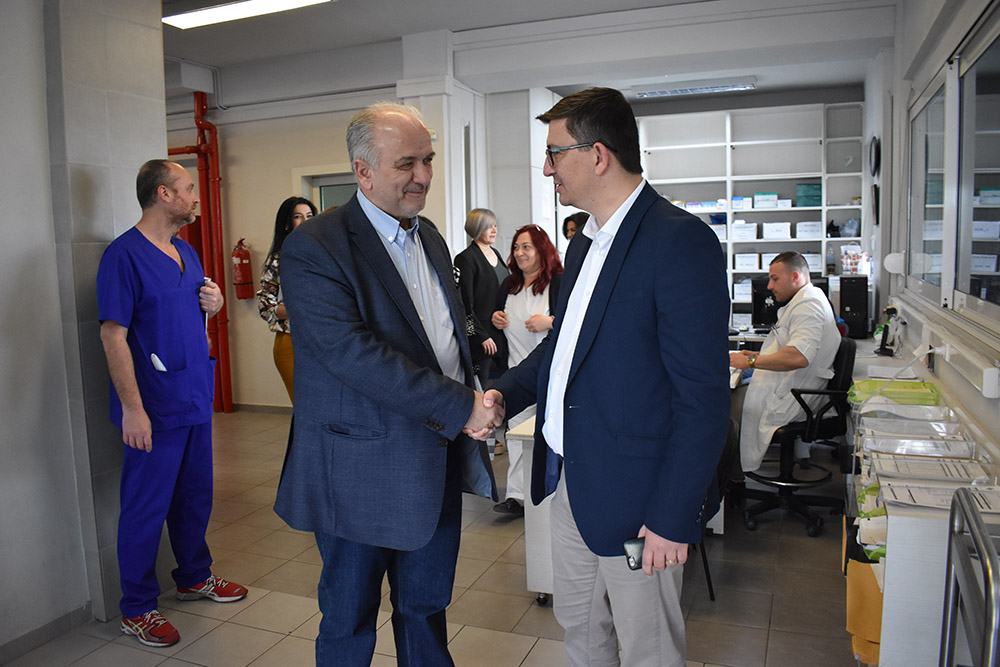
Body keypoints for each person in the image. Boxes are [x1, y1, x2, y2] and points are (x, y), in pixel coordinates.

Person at [481, 87, 731, 667]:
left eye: (554, 153)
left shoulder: (678, 241)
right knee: (581, 633)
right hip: (571, 482)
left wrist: (671, 517)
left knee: (648, 648)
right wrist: (502, 392)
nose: (547, 169)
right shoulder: (585, 244)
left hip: (640, 502)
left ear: (597, 156)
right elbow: (564, 350)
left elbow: (702, 398)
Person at [272, 102, 502, 667]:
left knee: (426, 608)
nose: (423, 176)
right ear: (363, 170)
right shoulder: (316, 246)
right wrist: (461, 405)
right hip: (358, 469)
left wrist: (476, 397)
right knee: (349, 617)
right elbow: (350, 353)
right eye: (406, 164)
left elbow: (441, 336)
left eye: (428, 160)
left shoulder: (430, 238)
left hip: (434, 454)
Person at [97, 159, 247, 649]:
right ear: (163, 194)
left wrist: (213, 304)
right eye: (187, 188)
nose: (194, 196)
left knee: (194, 496)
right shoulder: (124, 256)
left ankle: (193, 576)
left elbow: (190, 310)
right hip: (154, 406)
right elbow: (113, 334)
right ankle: (137, 608)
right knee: (145, 507)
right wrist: (133, 409)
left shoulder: (186, 251)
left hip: (193, 394)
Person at [729, 251, 841, 472]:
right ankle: (733, 474)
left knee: (724, 404)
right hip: (792, 386)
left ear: (795, 276)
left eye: (775, 278)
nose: (769, 286)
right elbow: (791, 347)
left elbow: (798, 357)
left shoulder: (809, 306)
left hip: (794, 396)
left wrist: (751, 362)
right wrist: (757, 356)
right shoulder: (806, 300)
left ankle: (733, 479)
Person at [490, 225, 563, 516]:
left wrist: (549, 322)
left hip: (549, 378)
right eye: (516, 247)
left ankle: (552, 496)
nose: (520, 253)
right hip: (516, 373)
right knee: (517, 439)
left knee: (549, 438)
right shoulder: (509, 286)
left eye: (526, 247)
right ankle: (517, 496)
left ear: (542, 250)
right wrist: (495, 319)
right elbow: (495, 322)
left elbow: (573, 324)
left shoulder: (558, 283)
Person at [256, 196, 318, 402]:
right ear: (286, 223)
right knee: (305, 406)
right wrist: (300, 308)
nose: (305, 221)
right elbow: (265, 308)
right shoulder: (278, 260)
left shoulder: (324, 255)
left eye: (309, 216)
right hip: (291, 341)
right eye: (298, 216)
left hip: (323, 340)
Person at [453, 208, 510, 389]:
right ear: (476, 228)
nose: (494, 230)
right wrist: (480, 336)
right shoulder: (465, 259)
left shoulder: (496, 253)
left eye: (495, 226)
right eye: (488, 227)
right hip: (481, 340)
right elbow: (464, 304)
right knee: (481, 389)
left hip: (502, 333)